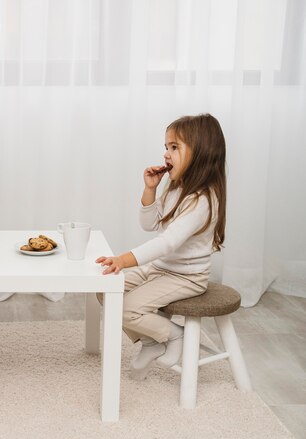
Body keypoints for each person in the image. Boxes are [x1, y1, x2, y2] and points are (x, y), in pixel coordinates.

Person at [96, 114, 226, 378]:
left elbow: (167, 242)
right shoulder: (176, 187)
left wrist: (123, 259)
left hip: (187, 277)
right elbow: (149, 224)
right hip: (161, 268)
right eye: (166, 147)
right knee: (105, 290)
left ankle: (175, 336)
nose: (166, 154)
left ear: (201, 152)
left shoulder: (203, 199)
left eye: (174, 147)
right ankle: (151, 341)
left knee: (127, 307)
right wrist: (150, 189)